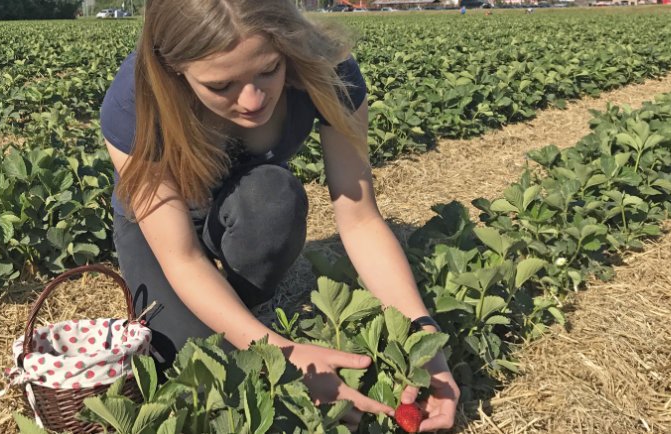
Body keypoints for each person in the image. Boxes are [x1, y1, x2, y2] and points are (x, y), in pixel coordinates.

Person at [99, 0, 459, 431]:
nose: (252, 100)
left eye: (269, 70)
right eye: (221, 85)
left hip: (251, 199)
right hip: (160, 226)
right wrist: (283, 355)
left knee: (272, 200)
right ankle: (249, 330)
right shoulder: (134, 103)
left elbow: (360, 219)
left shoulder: (328, 69)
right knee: (190, 361)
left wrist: (423, 334)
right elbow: (182, 258)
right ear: (175, 68)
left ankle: (251, 312)